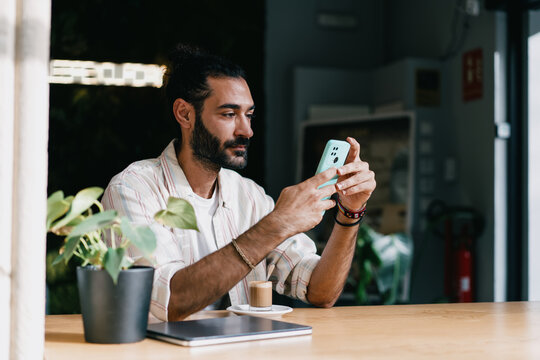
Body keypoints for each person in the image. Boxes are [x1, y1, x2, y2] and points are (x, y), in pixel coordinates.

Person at [102, 44, 376, 321]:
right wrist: (276, 225)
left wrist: (350, 212)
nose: (247, 130)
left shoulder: (249, 195)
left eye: (249, 114)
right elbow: (169, 301)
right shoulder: (132, 189)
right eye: (229, 114)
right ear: (185, 114)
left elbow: (320, 291)